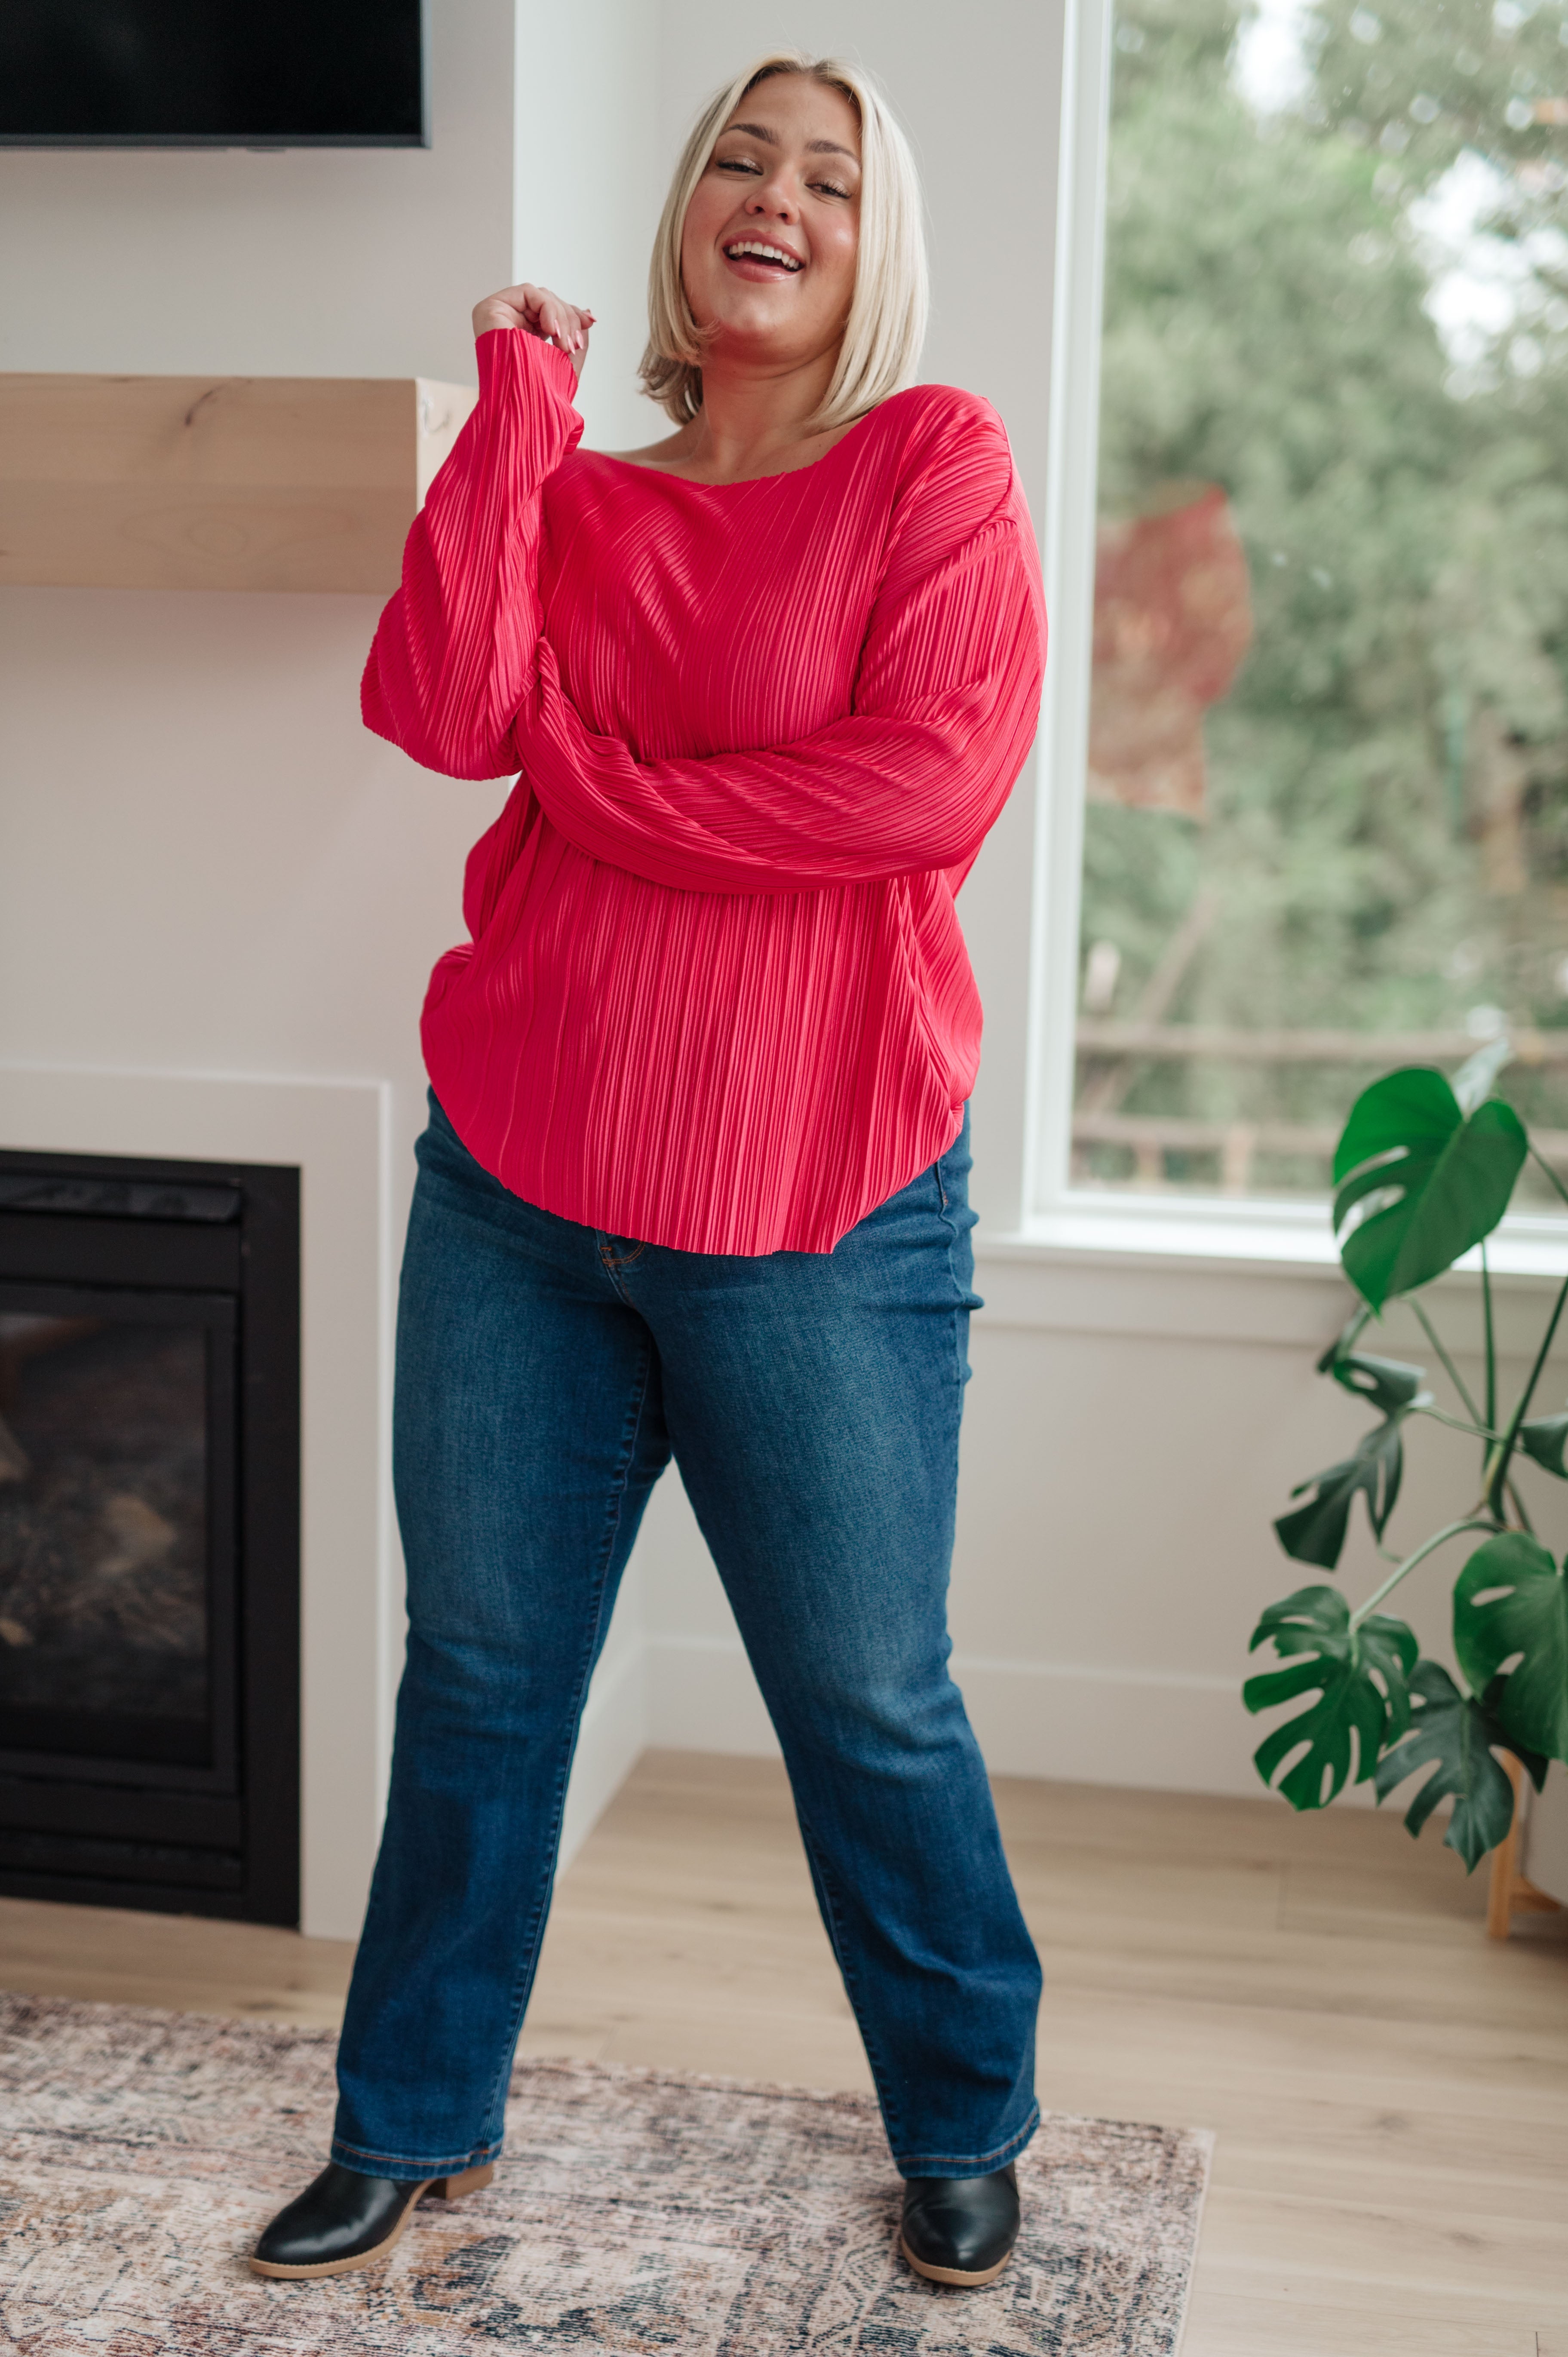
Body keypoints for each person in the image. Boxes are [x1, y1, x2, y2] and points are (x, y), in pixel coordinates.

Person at [251, 48, 1046, 2294]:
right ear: (690, 216)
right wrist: (520, 404)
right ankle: (410, 2123)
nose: (771, 197)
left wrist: (611, 805)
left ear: (874, 240)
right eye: (736, 161)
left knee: (870, 1697)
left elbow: (922, 788)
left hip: (816, 1193)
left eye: (824, 175)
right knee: (485, 1676)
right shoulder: (588, 489)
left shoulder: (935, 466)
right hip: (523, 1175)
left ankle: (967, 2110)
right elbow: (440, 702)